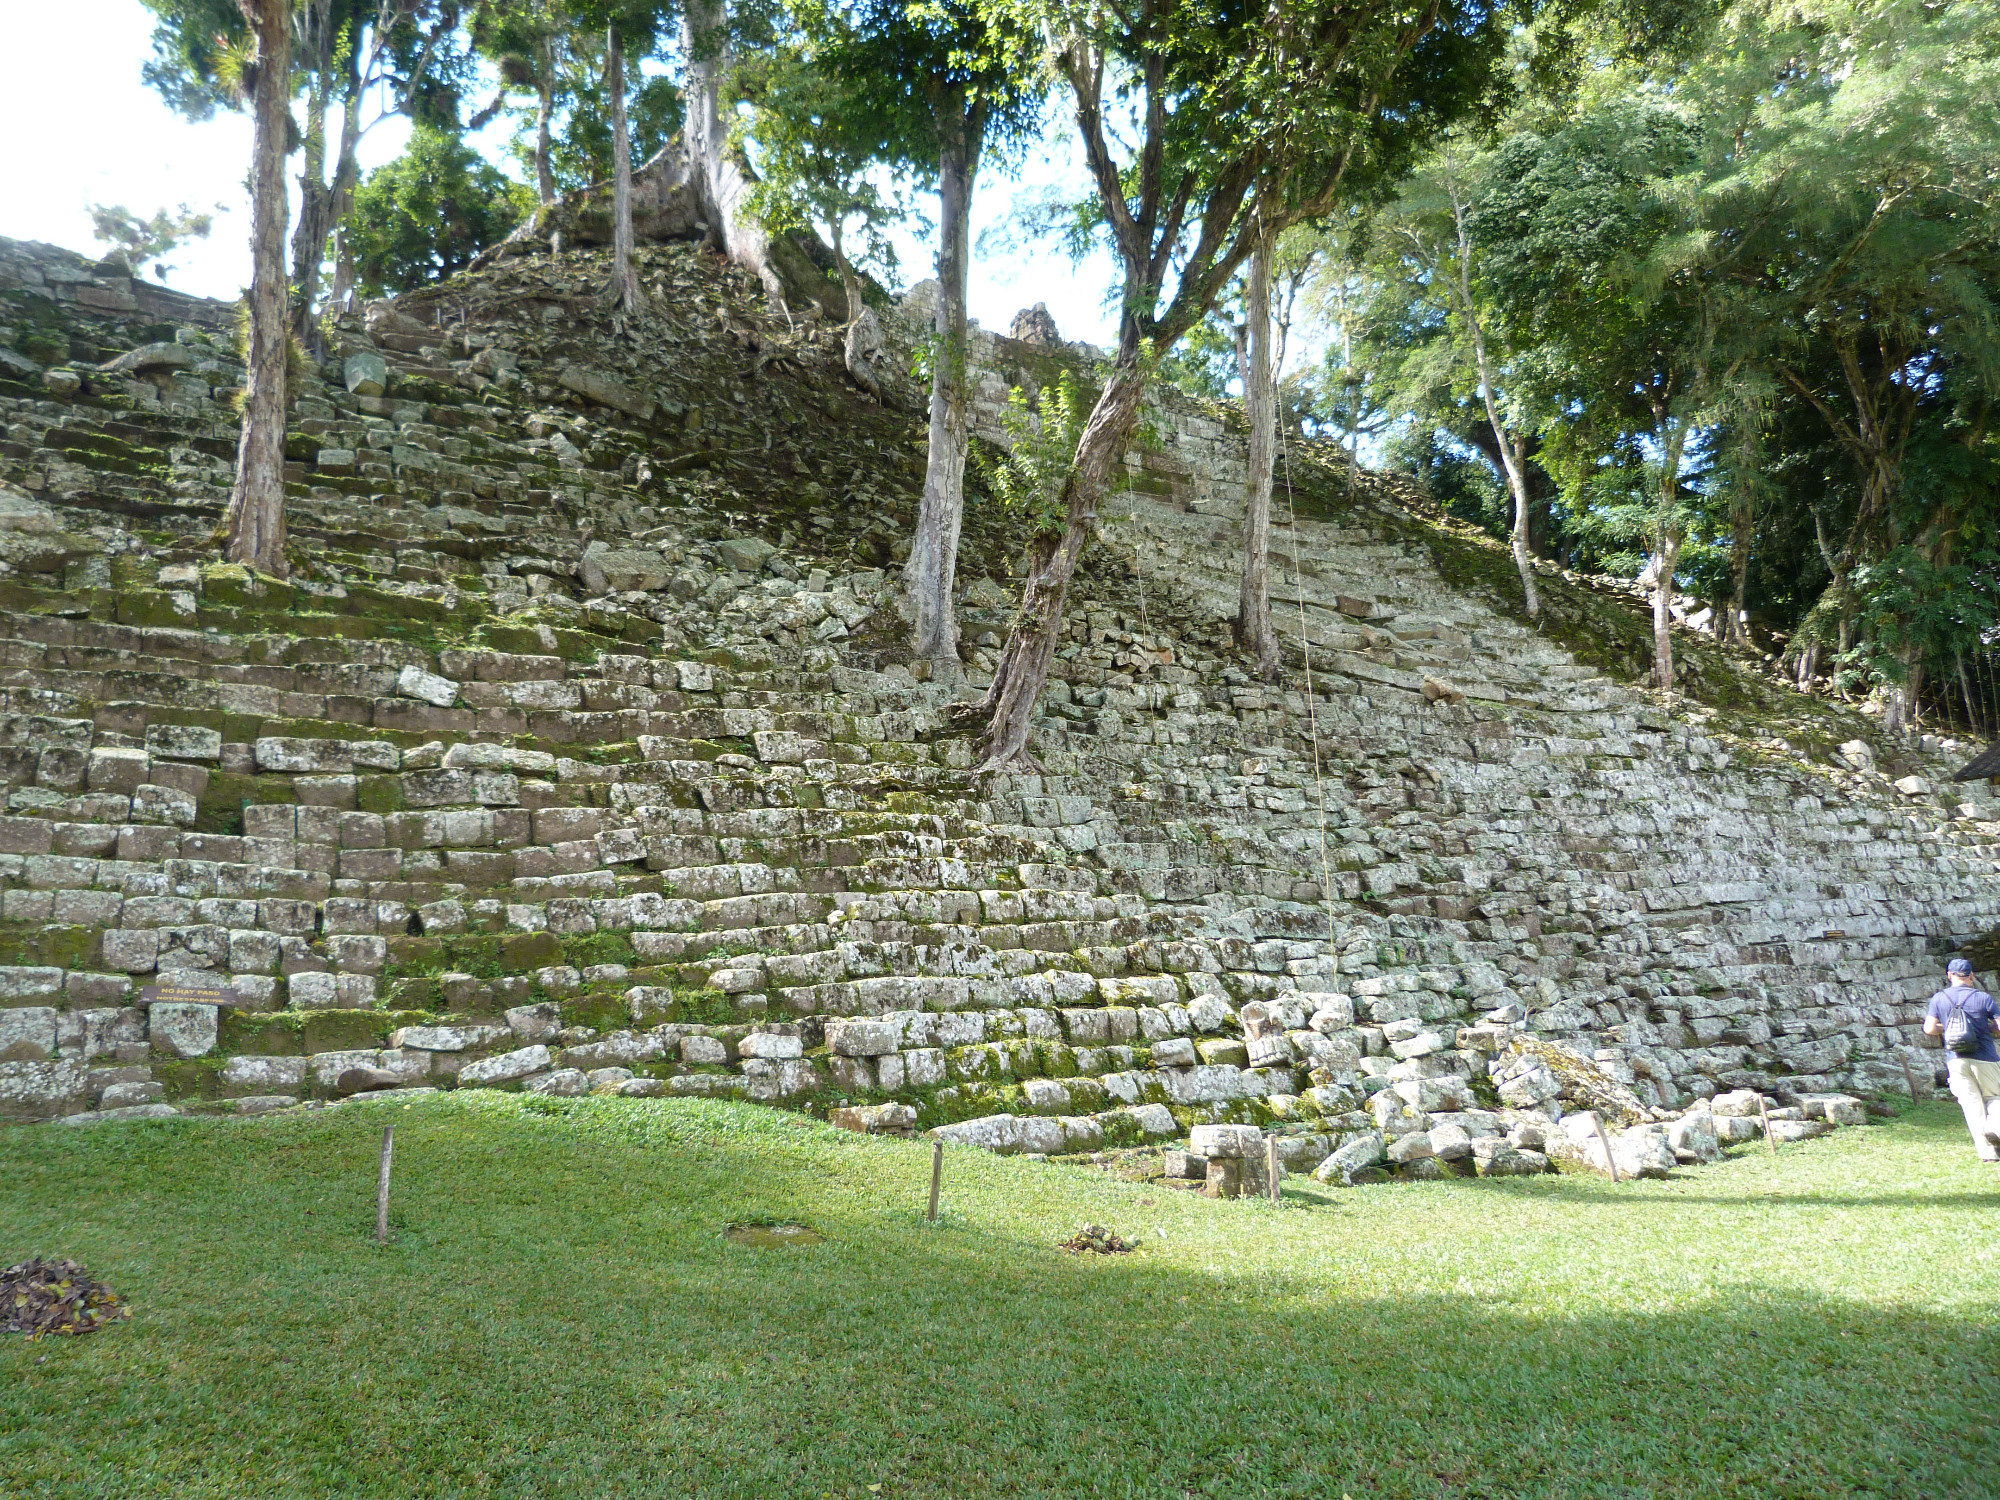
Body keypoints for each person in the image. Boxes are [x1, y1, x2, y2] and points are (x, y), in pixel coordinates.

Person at [1923, 957, 2000, 1169]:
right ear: (1971, 976)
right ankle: (1996, 1127)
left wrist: (1947, 1028)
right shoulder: (1983, 998)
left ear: (1949, 976)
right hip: (1985, 1057)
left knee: (1971, 1104)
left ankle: (1987, 1153)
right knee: (1994, 1096)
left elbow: (1929, 1029)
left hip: (1956, 1059)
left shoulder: (1939, 998)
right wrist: (1986, 1030)